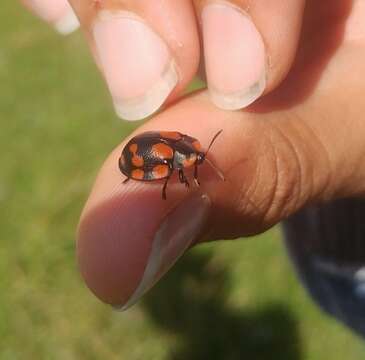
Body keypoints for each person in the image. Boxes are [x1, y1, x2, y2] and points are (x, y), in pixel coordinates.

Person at [23, 0, 365, 336]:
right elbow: (147, 167)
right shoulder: (175, 157)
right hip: (332, 264)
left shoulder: (181, 151)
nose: (197, 161)